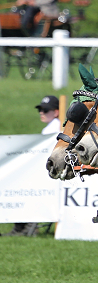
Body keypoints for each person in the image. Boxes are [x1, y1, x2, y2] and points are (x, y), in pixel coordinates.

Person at [4, 95, 61, 236]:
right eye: (40, 110)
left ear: (56, 112)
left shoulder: (54, 129)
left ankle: (24, 226)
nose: (42, 112)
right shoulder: (51, 128)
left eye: (45, 110)